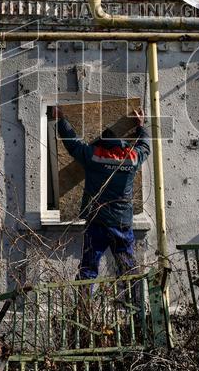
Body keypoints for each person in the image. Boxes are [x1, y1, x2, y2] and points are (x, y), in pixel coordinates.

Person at [51, 105, 151, 280]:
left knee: (88, 268)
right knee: (127, 268)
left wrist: (61, 120)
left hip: (97, 222)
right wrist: (141, 126)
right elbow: (145, 147)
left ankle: (84, 306)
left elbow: (73, 145)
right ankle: (135, 304)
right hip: (121, 222)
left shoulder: (94, 156)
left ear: (104, 144)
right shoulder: (132, 158)